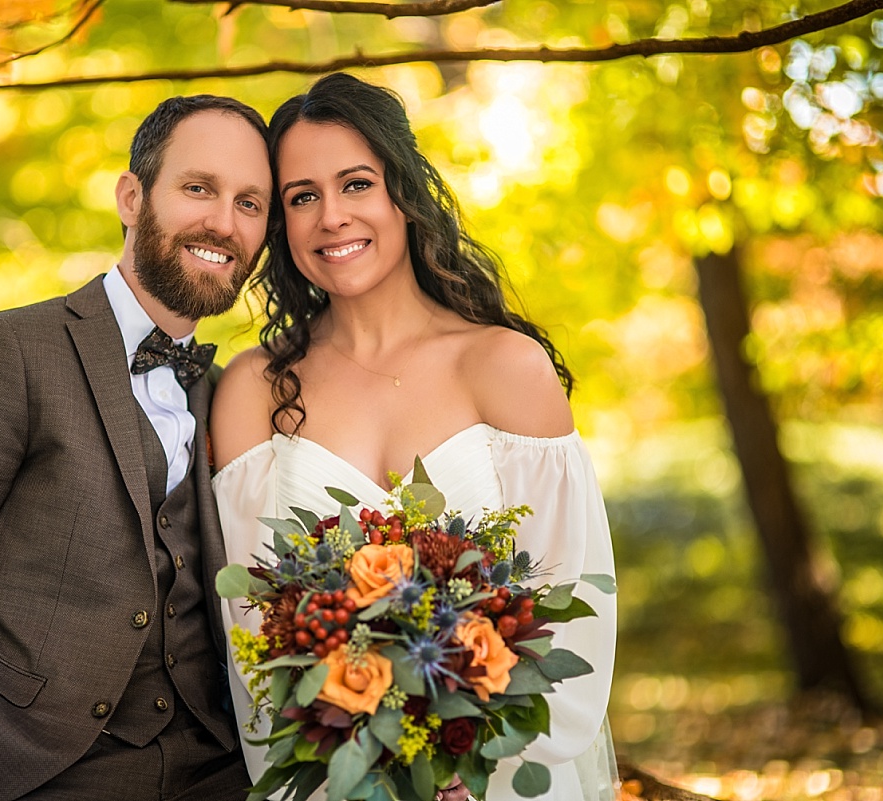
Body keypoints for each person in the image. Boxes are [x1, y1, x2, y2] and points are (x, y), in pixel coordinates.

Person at [0, 94, 273, 801]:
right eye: (198, 188)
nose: (223, 222)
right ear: (132, 197)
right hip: (29, 773)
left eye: (250, 203)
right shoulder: (10, 349)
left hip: (220, 769)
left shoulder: (235, 395)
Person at [210, 73, 618, 801]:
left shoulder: (503, 365)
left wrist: (467, 760)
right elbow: (250, 636)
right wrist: (346, 761)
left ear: (402, 193)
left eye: (356, 184)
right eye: (303, 196)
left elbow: (575, 605)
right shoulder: (252, 391)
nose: (331, 216)